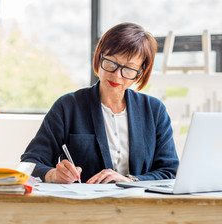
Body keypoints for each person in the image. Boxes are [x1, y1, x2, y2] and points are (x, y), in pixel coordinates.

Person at [21, 22, 179, 184]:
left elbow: (169, 170)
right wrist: (52, 174)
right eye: (111, 63)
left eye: (129, 69)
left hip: (140, 206)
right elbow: (30, 163)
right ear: (99, 56)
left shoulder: (154, 111)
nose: (117, 75)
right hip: (83, 206)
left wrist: (129, 180)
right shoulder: (68, 107)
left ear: (140, 72)